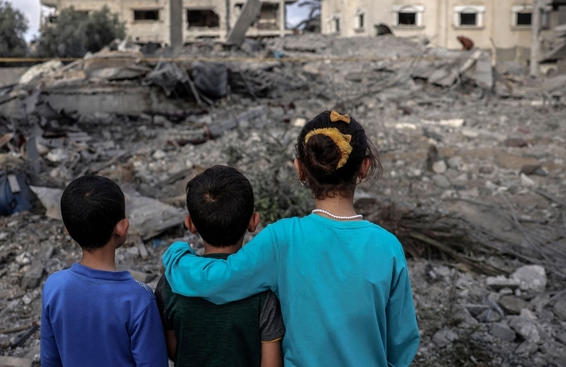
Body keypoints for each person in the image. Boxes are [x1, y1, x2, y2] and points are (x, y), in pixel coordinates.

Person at [163, 110, 420, 366]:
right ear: (364, 167)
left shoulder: (282, 238)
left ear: (300, 169)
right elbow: (401, 343)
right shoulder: (388, 247)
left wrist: (176, 257)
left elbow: (218, 280)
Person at [155, 165, 285, 367]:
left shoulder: (171, 281)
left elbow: (173, 349)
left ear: (190, 225)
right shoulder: (263, 287)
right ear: (253, 222)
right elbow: (271, 363)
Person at [41, 175, 167, 367]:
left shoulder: (54, 287)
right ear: (122, 228)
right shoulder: (139, 299)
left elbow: (50, 361)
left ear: (68, 230)